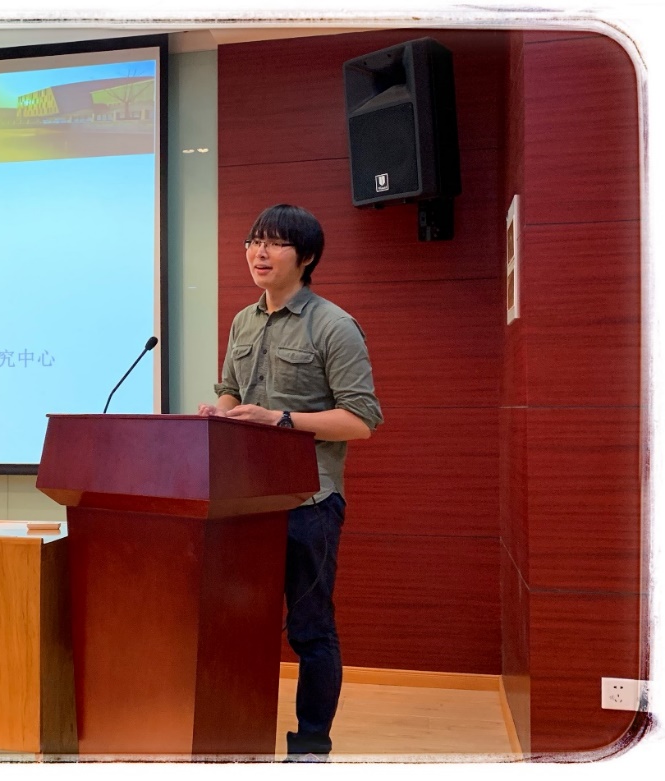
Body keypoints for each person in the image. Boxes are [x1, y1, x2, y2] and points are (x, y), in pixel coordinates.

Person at [198, 203, 383, 760]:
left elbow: (361, 421)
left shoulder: (333, 325)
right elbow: (230, 389)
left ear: (306, 257)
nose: (259, 252)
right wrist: (220, 413)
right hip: (243, 500)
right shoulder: (243, 321)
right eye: (253, 241)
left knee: (310, 629)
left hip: (309, 501)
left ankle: (310, 749)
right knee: (237, 623)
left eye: (275, 243)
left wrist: (278, 419)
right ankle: (234, 736)